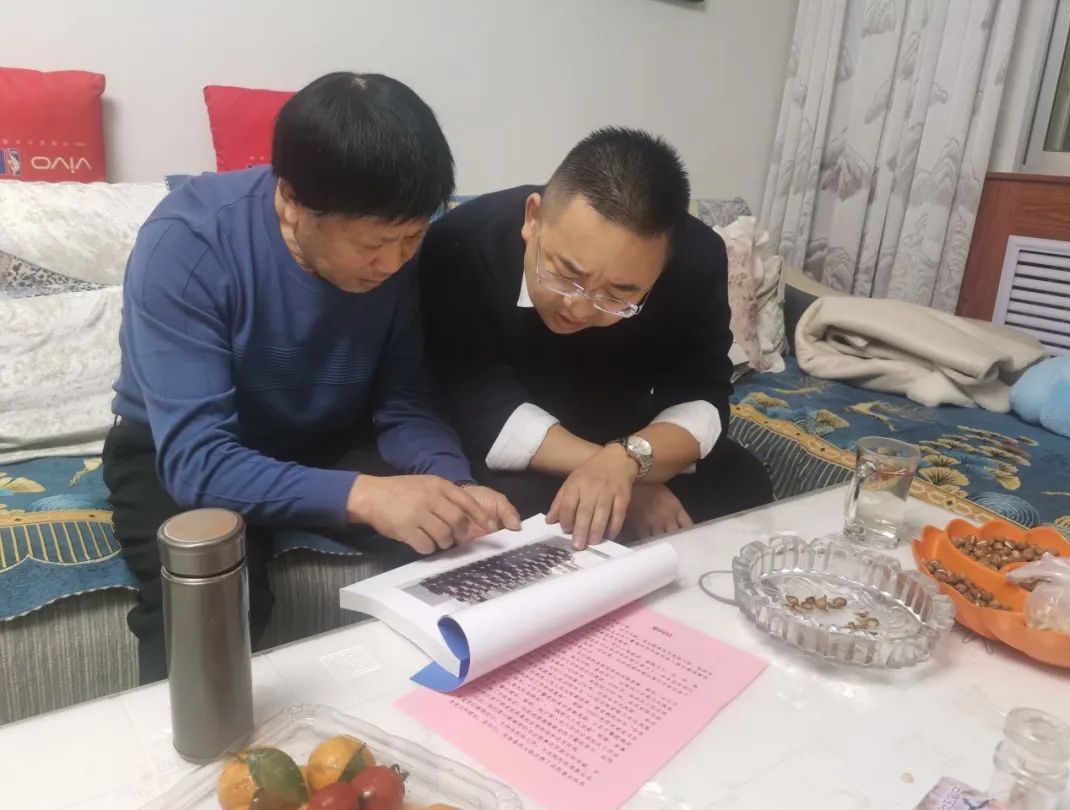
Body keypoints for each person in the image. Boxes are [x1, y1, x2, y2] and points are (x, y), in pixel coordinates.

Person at [104, 72, 519, 683]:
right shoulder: (189, 243)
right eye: (373, 244)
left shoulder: (398, 258)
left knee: (462, 535)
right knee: (211, 600)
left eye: (412, 237)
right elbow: (197, 461)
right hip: (180, 447)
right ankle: (185, 742)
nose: (393, 263)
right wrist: (366, 496)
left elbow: (405, 401)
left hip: (324, 432)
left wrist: (452, 483)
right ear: (292, 199)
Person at [417, 127, 773, 550]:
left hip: (629, 432)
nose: (580, 308)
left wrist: (626, 462)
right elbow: (477, 404)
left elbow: (702, 394)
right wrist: (622, 481)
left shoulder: (697, 259)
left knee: (744, 482)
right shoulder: (464, 244)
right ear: (533, 219)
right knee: (520, 514)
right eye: (565, 275)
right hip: (522, 449)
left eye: (618, 295)